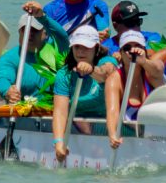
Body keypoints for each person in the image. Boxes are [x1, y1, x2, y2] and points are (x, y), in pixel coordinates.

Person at [51, 26, 119, 163]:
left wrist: (92, 70)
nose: (80, 51)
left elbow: (106, 74)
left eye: (86, 47)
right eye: (77, 47)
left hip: (107, 121)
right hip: (77, 123)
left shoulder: (107, 61)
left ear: (96, 48)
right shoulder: (64, 74)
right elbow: (60, 112)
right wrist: (58, 142)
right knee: (79, 120)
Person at [0, 1, 70, 104]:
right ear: (19, 32)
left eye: (34, 30)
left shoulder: (56, 50)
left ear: (44, 33)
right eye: (25, 30)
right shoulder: (9, 58)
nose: (29, 34)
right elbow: (4, 78)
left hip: (56, 109)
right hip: (25, 113)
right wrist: (7, 91)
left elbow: (62, 36)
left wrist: (42, 17)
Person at [104, 30, 166, 140]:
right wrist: (113, 135)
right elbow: (112, 111)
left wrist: (143, 61)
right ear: (121, 53)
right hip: (128, 135)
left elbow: (159, 69)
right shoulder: (114, 79)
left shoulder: (151, 71)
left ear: (144, 50)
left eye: (137, 47)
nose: (132, 52)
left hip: (157, 135)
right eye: (127, 48)